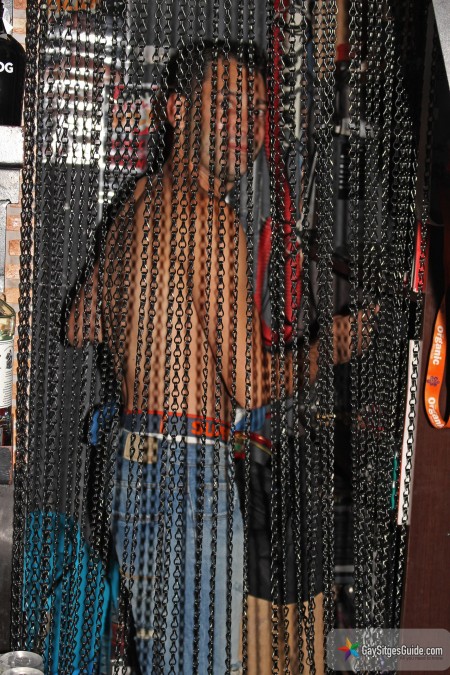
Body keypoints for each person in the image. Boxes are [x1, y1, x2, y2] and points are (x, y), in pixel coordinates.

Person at [68, 39, 360, 674]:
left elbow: (78, 324)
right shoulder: (214, 220)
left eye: (254, 112)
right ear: (177, 110)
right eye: (225, 104)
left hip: (132, 465)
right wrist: (328, 349)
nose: (243, 127)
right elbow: (250, 385)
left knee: (162, 661)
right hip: (188, 473)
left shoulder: (136, 206)